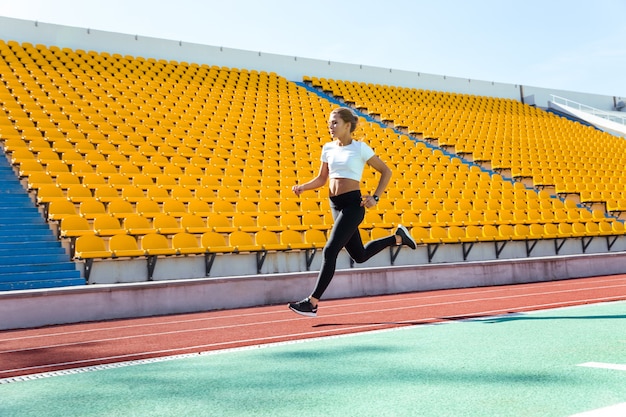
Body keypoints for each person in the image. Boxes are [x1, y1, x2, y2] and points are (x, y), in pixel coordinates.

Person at [288, 107, 417, 317]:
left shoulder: (360, 148)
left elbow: (386, 171)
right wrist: (303, 187)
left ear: (348, 125)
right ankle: (397, 238)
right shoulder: (327, 148)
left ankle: (312, 302)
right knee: (359, 255)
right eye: (330, 123)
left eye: (335, 122)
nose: (331, 126)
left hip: (352, 205)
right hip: (335, 205)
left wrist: (375, 197)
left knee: (330, 251)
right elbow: (322, 179)